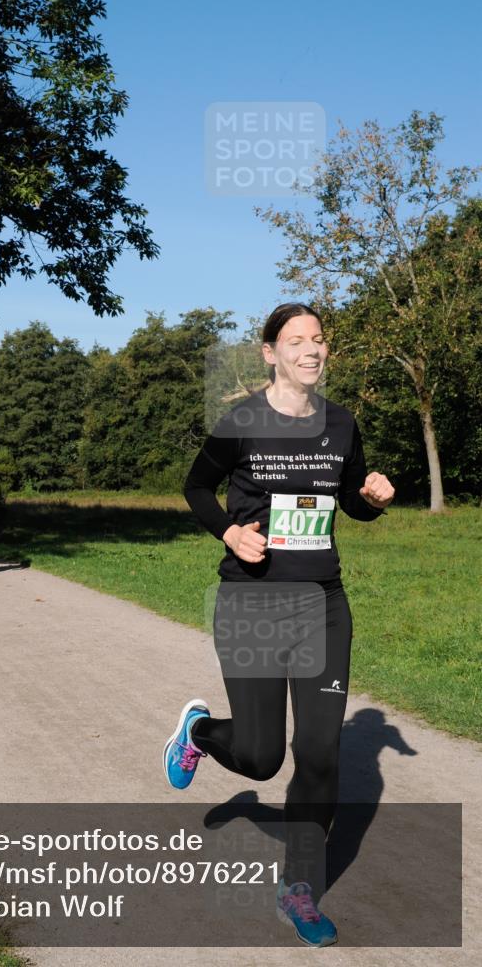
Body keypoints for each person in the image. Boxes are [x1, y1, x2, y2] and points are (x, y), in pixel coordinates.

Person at [165, 303, 394, 948]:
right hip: (253, 603)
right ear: (270, 352)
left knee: (319, 754)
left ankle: (298, 887)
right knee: (262, 758)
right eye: (296, 341)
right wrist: (230, 532)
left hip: (322, 602)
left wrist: (371, 499)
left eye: (318, 339)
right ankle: (200, 731)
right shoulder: (241, 421)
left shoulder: (341, 423)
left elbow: (350, 499)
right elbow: (196, 488)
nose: (311, 350)